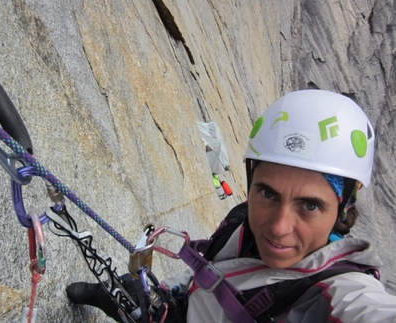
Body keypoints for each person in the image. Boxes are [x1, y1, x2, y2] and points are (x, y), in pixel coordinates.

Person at [66, 90, 396, 322]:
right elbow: (209, 270)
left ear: (342, 210)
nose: (279, 227)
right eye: (268, 193)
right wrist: (167, 293)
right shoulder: (243, 223)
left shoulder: (340, 292)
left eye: (309, 206)